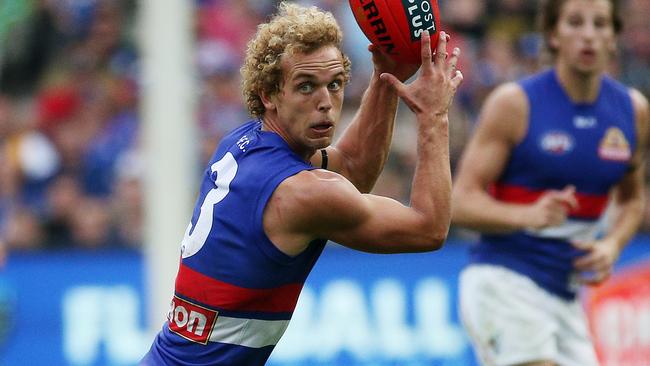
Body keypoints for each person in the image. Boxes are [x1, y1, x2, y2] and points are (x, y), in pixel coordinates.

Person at [141, 2, 463, 365]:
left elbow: (353, 168)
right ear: (269, 94)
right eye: (306, 86)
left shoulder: (243, 143)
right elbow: (428, 228)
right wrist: (434, 116)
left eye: (336, 84)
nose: (325, 103)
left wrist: (386, 78)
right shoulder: (299, 194)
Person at [452, 0, 648, 365]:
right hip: (504, 282)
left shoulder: (632, 112)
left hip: (566, 296)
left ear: (614, 36)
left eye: (600, 24)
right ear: (553, 35)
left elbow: (632, 199)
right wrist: (528, 215)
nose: (588, 34)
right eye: (575, 22)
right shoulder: (515, 104)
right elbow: (459, 203)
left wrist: (612, 246)